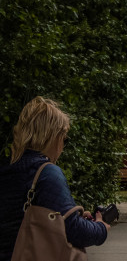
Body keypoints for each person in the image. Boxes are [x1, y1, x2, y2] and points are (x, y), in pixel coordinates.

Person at [0, 97, 110, 261]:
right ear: (54, 136)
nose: (63, 146)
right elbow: (74, 230)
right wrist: (101, 228)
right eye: (65, 139)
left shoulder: (7, 168)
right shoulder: (46, 172)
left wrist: (70, 215)